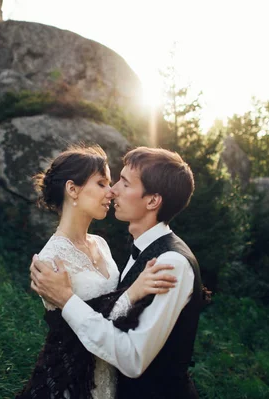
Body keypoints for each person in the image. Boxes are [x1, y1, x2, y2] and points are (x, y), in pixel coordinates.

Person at [31, 147, 210, 398]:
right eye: (105, 182)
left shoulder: (171, 263)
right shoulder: (139, 250)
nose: (112, 190)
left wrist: (67, 300)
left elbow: (133, 357)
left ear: (151, 201)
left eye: (123, 183)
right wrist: (131, 294)